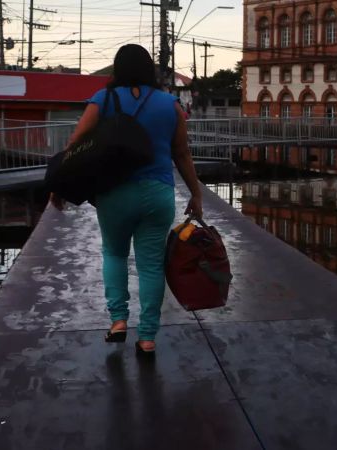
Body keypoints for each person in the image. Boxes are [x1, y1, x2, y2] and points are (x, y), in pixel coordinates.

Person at [49, 44, 204, 356]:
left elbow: (76, 143)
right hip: (158, 194)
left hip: (114, 193)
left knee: (115, 254)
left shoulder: (103, 99)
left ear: (117, 68)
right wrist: (196, 194)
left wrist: (59, 185)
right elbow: (182, 153)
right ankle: (147, 337)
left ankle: (118, 320)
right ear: (150, 70)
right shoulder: (169, 104)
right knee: (150, 265)